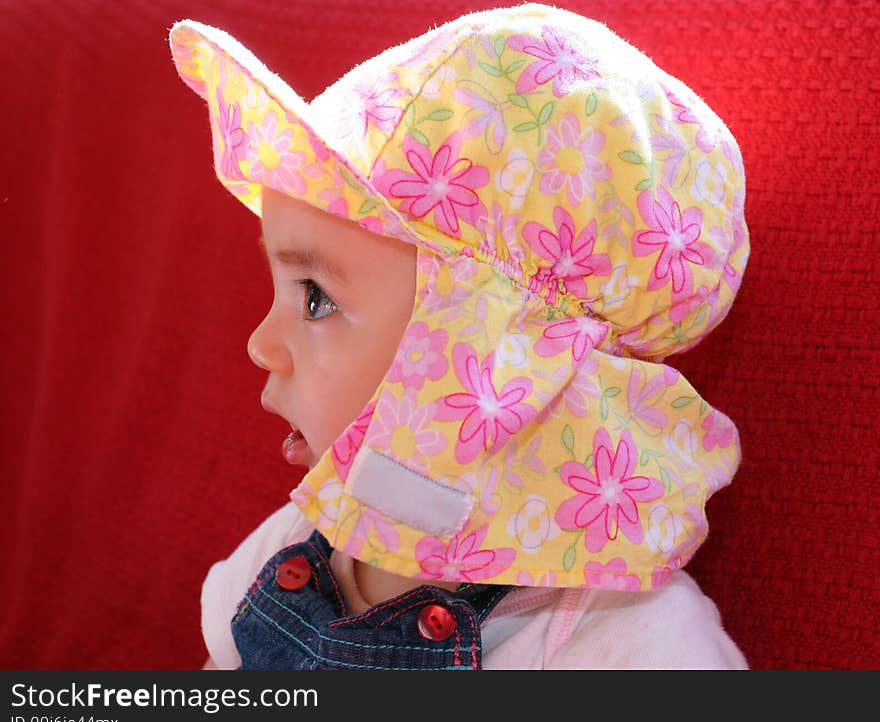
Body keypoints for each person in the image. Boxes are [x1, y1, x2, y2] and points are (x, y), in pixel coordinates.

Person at [169, 2, 750, 669]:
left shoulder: (624, 641)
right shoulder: (292, 545)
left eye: (317, 298)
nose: (260, 345)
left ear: (503, 355)